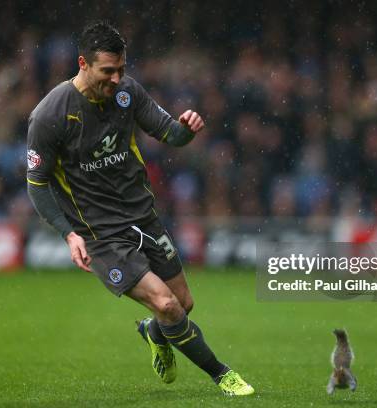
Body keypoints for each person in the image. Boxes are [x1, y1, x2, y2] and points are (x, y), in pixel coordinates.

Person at [26, 20, 254, 396]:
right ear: (82, 63)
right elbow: (37, 185)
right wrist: (68, 234)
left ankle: (152, 332)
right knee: (166, 304)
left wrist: (187, 127)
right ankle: (223, 375)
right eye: (107, 71)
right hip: (101, 235)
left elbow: (170, 133)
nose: (116, 78)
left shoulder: (127, 92)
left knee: (182, 303)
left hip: (143, 217)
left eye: (121, 69)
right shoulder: (50, 115)